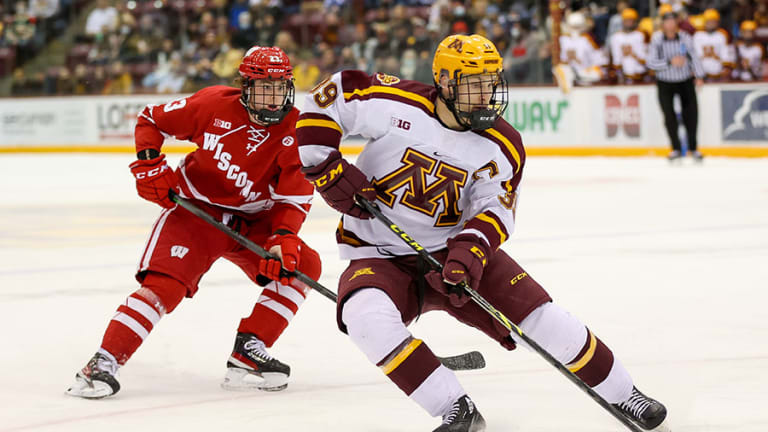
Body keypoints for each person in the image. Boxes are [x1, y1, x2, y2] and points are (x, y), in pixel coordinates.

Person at [296, 34, 669, 432]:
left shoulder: (502, 143)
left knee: (539, 318)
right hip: (376, 248)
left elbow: (495, 209)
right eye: (475, 82)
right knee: (363, 316)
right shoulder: (395, 102)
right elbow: (329, 98)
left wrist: (470, 251)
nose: (487, 92)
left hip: (453, 253)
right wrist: (325, 166)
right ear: (444, 80)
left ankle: (625, 393)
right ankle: (456, 408)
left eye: (491, 81)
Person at [66, 46, 321, 399]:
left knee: (303, 265)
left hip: (254, 222)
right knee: (164, 287)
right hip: (195, 211)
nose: (274, 97)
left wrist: (283, 236)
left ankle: (248, 351)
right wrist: (148, 164)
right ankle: (104, 361)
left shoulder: (298, 129)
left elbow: (293, 197)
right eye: (265, 87)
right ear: (245, 86)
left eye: (280, 87)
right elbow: (151, 119)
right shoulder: (212, 105)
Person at [648, 6, 705, 162]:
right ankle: (676, 148)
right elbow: (651, 64)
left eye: (673, 21)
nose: (671, 24)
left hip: (685, 80)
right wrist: (669, 62)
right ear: (663, 23)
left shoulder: (685, 37)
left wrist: (699, 76)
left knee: (691, 114)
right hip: (665, 82)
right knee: (669, 116)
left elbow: (694, 57)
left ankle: (693, 148)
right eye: (668, 21)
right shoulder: (657, 39)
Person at [692, 9, 735, 82]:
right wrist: (692, 69)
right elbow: (694, 53)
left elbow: (726, 52)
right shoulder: (697, 35)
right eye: (709, 21)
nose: (711, 24)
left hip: (718, 74)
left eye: (713, 21)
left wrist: (727, 67)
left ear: (718, 22)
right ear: (704, 22)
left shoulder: (722, 35)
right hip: (699, 75)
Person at [609, 8, 650, 84]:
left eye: (631, 20)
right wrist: (619, 75)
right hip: (623, 76)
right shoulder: (616, 37)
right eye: (627, 20)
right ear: (623, 21)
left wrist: (633, 54)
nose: (629, 23)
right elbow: (616, 60)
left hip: (640, 74)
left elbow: (646, 58)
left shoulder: (642, 34)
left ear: (635, 21)